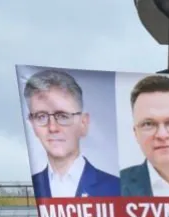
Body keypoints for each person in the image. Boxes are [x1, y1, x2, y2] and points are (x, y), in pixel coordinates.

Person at [23, 69, 119, 198]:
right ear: (32, 124)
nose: (52, 127)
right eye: (41, 116)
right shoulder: (30, 191)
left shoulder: (117, 188)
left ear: (83, 123)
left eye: (63, 116)